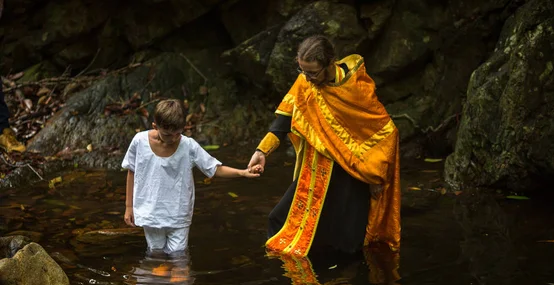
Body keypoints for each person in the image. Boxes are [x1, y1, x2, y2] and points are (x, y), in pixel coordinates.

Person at [247, 35, 400, 257]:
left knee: (345, 242)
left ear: (330, 63)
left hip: (349, 172)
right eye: (302, 71)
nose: (307, 78)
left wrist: (376, 174)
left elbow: (384, 131)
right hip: (314, 169)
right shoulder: (305, 81)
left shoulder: (354, 87)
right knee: (279, 220)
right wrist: (262, 150)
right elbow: (286, 115)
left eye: (312, 72)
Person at [122, 99, 260, 255]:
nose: (174, 138)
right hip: (151, 212)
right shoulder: (139, 141)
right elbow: (131, 171)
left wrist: (242, 172)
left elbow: (214, 168)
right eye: (167, 134)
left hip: (179, 212)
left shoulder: (188, 146)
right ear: (155, 126)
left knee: (179, 257)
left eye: (178, 134)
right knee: (156, 254)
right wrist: (129, 207)